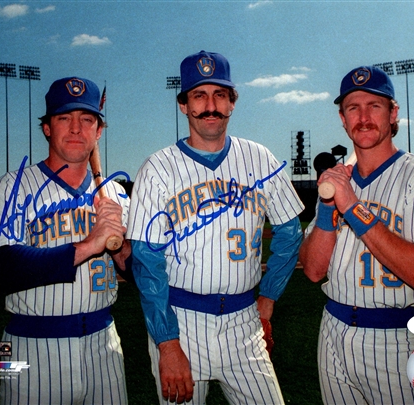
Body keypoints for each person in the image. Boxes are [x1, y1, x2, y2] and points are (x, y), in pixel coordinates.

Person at [127, 50, 304, 404]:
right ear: (184, 106)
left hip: (245, 323)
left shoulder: (260, 159)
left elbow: (290, 231)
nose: (210, 105)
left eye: (219, 95)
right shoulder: (158, 168)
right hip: (182, 324)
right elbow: (146, 262)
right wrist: (167, 342)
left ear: (232, 103)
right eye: (199, 95)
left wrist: (267, 301)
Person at [299, 66, 414, 405]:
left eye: (375, 106)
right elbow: (313, 271)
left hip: (394, 338)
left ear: (393, 113)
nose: (364, 116)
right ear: (343, 118)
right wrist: (328, 207)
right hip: (333, 332)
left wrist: (353, 207)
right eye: (353, 108)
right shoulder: (338, 180)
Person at [0, 77, 132, 405]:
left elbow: (138, 270)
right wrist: (91, 244)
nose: (77, 129)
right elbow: (3, 270)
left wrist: (122, 247)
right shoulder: (12, 187)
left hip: (104, 342)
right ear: (47, 128)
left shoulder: (116, 195)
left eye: (87, 119)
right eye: (65, 118)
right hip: (26, 344)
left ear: (99, 131)